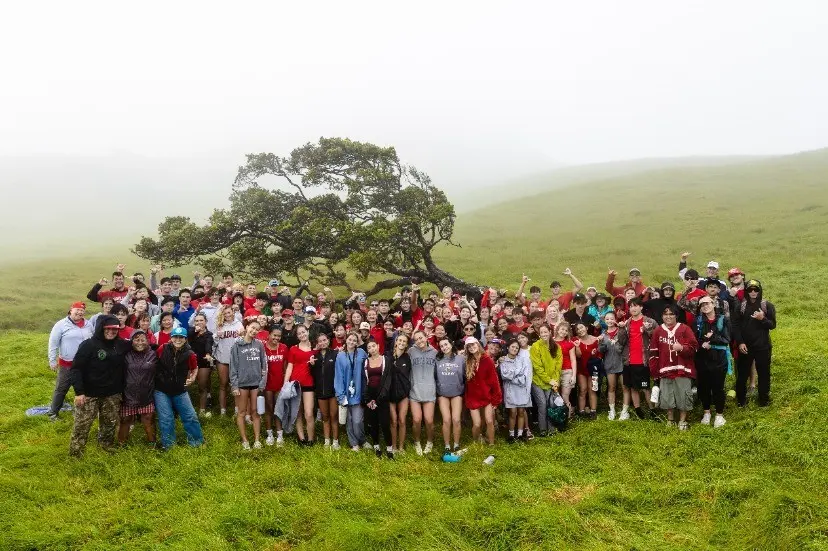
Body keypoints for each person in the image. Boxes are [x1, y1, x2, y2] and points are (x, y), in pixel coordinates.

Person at [68, 314, 128, 457]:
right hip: (89, 393)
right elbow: (76, 369)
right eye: (107, 329)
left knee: (109, 423)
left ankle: (106, 446)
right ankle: (76, 453)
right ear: (100, 328)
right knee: (82, 425)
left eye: (114, 329)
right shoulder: (88, 345)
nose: (111, 332)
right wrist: (79, 392)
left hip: (112, 394)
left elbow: (141, 344)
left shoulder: (121, 344)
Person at [648, 304, 698, 430]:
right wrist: (655, 371)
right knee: (667, 397)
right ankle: (670, 420)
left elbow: (694, 347)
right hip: (665, 370)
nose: (668, 316)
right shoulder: (658, 331)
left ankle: (682, 421)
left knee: (683, 396)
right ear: (662, 316)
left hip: (682, 369)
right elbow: (653, 352)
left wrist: (682, 348)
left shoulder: (684, 329)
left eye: (671, 314)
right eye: (666, 314)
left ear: (676, 315)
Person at [154, 327, 204, 448]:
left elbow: (195, 368)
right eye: (175, 336)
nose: (178, 339)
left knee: (190, 416)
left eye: (181, 337)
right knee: (166, 418)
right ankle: (169, 446)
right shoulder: (162, 348)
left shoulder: (190, 354)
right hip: (161, 390)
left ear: (185, 339)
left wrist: (192, 378)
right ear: (171, 338)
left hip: (180, 390)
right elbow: (154, 362)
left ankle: (196, 443)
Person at [732, 279, 776, 407]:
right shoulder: (740, 306)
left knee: (764, 373)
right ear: (746, 291)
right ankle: (741, 400)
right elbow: (735, 326)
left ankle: (764, 399)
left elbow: (772, 325)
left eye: (755, 289)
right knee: (742, 374)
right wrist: (740, 342)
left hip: (763, 346)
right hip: (745, 346)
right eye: (750, 289)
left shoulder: (767, 306)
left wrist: (763, 319)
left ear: (759, 290)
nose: (753, 292)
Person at [47, 301, 93, 421]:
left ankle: (80, 411)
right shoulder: (61, 324)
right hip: (67, 364)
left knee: (84, 388)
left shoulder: (88, 324)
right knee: (62, 388)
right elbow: (53, 343)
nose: (79, 312)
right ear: (71, 310)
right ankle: (53, 413)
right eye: (77, 309)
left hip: (85, 364)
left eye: (82, 310)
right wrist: (52, 360)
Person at [230, 320, 268, 450]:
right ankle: (245, 440)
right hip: (242, 384)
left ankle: (257, 440)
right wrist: (234, 386)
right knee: (241, 412)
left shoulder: (259, 345)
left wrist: (262, 382)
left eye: (257, 329)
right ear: (247, 327)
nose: (254, 331)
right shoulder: (236, 345)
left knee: (255, 412)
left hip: (256, 384)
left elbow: (264, 365)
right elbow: (233, 367)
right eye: (252, 328)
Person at [694, 296, 730, 427]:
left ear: (713, 304)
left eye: (707, 303)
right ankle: (706, 412)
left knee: (718, 387)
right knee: (703, 387)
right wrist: (702, 344)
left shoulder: (723, 320)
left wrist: (713, 339)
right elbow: (694, 339)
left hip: (719, 359)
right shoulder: (698, 321)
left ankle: (719, 415)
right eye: (702, 305)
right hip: (702, 359)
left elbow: (727, 339)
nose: (705, 306)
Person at [620, 297, 657, 420]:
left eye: (636, 306)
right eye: (631, 306)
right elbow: (621, 341)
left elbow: (657, 338)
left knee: (646, 388)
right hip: (629, 361)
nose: (633, 308)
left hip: (644, 361)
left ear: (641, 307)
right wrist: (621, 329)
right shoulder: (626, 323)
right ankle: (638, 410)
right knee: (632, 387)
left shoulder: (649, 321)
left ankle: (653, 410)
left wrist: (648, 330)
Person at [118, 330, 156, 446]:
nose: (140, 343)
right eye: (136, 340)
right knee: (125, 420)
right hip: (128, 394)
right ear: (131, 341)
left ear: (147, 341)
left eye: (143, 340)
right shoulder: (125, 354)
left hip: (146, 395)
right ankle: (121, 444)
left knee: (148, 419)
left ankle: (152, 444)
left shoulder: (153, 354)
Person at [463, 337, 503, 445]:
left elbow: (494, 380)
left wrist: (496, 399)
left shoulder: (487, 359)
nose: (472, 347)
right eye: (469, 346)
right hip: (473, 396)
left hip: (487, 395)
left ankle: (491, 443)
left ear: (478, 344)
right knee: (477, 424)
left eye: (473, 345)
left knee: (489, 421)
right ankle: (476, 442)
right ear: (467, 349)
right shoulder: (467, 361)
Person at [284, 324, 318, 445]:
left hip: (309, 383)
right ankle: (302, 438)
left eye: (304, 332)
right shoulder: (293, 349)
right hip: (295, 384)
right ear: (297, 336)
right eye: (299, 334)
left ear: (307, 331)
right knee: (297, 412)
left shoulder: (315, 348)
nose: (302, 335)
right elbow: (289, 367)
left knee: (308, 413)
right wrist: (285, 384)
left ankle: (310, 439)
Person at [334, 333, 369, 451]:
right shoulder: (340, 356)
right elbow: (338, 375)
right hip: (346, 392)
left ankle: (362, 439)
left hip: (358, 390)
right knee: (349, 420)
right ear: (346, 340)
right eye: (350, 339)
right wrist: (340, 394)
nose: (352, 342)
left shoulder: (361, 353)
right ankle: (354, 443)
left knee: (358, 420)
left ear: (357, 342)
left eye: (354, 340)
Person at [362, 339, 395, 458]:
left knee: (385, 423)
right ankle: (376, 446)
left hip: (383, 396)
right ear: (367, 350)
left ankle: (389, 449)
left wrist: (379, 399)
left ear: (378, 346)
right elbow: (364, 381)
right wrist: (368, 399)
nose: (372, 349)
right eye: (369, 347)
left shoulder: (386, 360)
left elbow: (388, 380)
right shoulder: (365, 362)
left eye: (373, 346)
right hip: (370, 396)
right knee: (373, 423)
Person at [408, 330, 438, 455]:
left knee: (429, 420)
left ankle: (430, 442)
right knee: (416, 420)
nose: (419, 341)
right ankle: (417, 442)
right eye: (416, 339)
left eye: (421, 338)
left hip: (430, 391)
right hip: (415, 391)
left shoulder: (435, 353)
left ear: (426, 337)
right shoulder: (411, 351)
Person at [529, 324, 563, 436]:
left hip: (551, 382)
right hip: (538, 381)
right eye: (541, 332)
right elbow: (537, 367)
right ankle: (543, 429)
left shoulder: (557, 347)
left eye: (545, 332)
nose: (543, 334)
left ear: (550, 332)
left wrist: (555, 381)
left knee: (550, 404)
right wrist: (549, 380)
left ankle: (552, 429)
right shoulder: (535, 346)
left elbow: (558, 366)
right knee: (542, 404)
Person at [435, 337, 465, 454]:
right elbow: (434, 376)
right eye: (442, 346)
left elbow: (465, 375)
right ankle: (447, 446)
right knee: (446, 420)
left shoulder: (460, 359)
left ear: (451, 344)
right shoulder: (438, 360)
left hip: (457, 393)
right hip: (443, 393)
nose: (444, 347)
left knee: (456, 419)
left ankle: (456, 445)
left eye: (446, 344)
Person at [499, 339, 532, 443]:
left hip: (521, 389)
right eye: (512, 347)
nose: (514, 349)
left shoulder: (522, 360)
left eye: (517, 348)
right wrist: (517, 373)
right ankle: (511, 434)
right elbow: (505, 375)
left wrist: (512, 374)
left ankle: (520, 434)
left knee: (521, 411)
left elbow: (524, 375)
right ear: (508, 347)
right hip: (510, 390)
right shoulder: (503, 360)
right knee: (513, 412)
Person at [312, 333, 340, 449]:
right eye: (320, 341)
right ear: (317, 343)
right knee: (325, 417)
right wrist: (312, 365)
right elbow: (313, 374)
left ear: (328, 341)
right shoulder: (315, 356)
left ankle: (336, 441)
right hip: (320, 391)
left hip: (333, 391)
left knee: (334, 416)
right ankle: (327, 440)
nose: (322, 343)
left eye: (324, 340)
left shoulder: (335, 354)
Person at [213, 305, 243, 415]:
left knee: (236, 385)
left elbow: (242, 341)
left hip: (236, 359)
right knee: (223, 384)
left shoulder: (239, 324)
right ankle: (223, 411)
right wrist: (217, 336)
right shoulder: (220, 325)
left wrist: (241, 335)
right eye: (224, 313)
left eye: (229, 312)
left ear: (233, 312)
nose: (227, 315)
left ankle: (237, 410)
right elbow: (214, 343)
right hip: (222, 357)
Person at [387, 333, 412, 453]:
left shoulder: (408, 358)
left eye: (404, 341)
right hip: (390, 393)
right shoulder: (387, 356)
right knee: (394, 420)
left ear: (407, 344)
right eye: (400, 340)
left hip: (403, 393)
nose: (401, 343)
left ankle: (401, 447)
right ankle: (394, 447)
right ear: (396, 342)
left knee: (402, 420)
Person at [263, 327, 288, 446]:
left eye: (279, 336)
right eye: (274, 335)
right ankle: (269, 434)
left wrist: (285, 383)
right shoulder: (262, 348)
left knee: (278, 409)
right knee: (269, 408)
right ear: (269, 335)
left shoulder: (283, 347)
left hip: (279, 383)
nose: (276, 338)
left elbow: (285, 366)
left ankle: (280, 434)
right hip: (267, 383)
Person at [598, 312, 625, 420]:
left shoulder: (620, 331)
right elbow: (601, 351)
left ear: (615, 320)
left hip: (622, 363)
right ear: (605, 321)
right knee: (611, 387)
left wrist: (617, 343)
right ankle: (612, 410)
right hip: (609, 364)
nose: (609, 321)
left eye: (612, 319)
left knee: (625, 387)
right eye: (607, 319)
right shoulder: (603, 334)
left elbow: (624, 345)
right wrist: (601, 343)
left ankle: (624, 410)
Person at [188, 313, 215, 417]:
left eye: (201, 320)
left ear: (206, 322)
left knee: (202, 386)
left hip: (204, 362)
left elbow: (209, 345)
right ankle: (186, 409)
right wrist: (195, 331)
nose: (199, 322)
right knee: (187, 386)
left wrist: (208, 354)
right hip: (190, 362)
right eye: (197, 321)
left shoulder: (209, 334)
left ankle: (202, 410)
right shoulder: (191, 332)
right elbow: (186, 339)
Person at [573, 322, 601, 420]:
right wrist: (577, 346)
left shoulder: (595, 339)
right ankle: (581, 411)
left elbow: (600, 355)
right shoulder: (575, 340)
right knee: (583, 389)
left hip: (593, 369)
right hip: (581, 369)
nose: (580, 330)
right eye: (577, 329)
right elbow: (578, 356)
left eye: (581, 328)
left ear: (586, 327)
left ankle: (593, 411)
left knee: (592, 389)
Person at [553, 322, 577, 415]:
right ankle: (559, 417)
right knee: (556, 396)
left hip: (567, 371)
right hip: (555, 372)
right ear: (558, 329)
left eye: (566, 330)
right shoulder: (551, 342)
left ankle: (568, 416)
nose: (563, 332)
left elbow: (573, 360)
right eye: (562, 329)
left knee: (565, 395)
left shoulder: (570, 344)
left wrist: (574, 376)